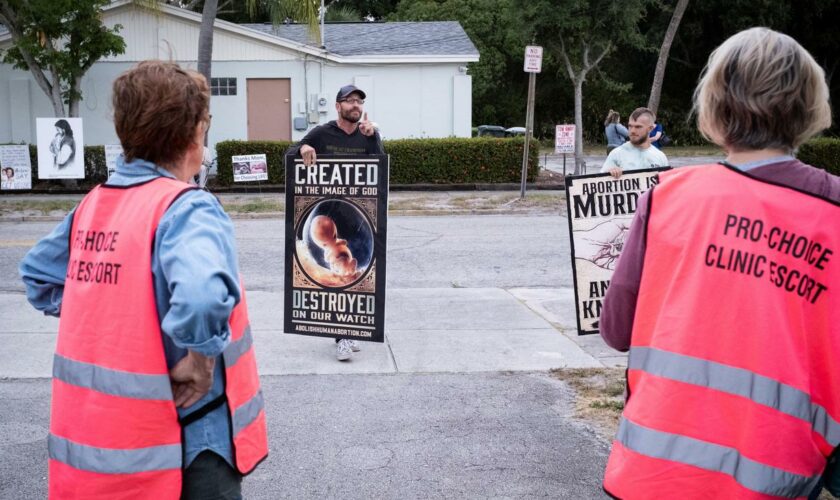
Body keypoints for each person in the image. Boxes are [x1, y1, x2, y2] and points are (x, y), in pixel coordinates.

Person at [600, 27, 839, 499]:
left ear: (712, 106)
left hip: (651, 470)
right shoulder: (832, 209)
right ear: (811, 106)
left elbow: (616, 329)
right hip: (776, 476)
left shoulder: (666, 199)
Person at [20, 61, 267, 499]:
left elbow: (39, 275)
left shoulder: (96, 203)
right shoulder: (188, 208)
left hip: (103, 454)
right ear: (194, 131)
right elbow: (202, 298)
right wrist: (200, 360)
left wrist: (119, 311)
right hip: (187, 451)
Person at [288, 84, 384, 361]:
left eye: (359, 101)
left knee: (355, 277)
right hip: (327, 216)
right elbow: (290, 155)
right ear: (338, 105)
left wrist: (374, 136)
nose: (355, 105)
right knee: (337, 276)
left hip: (357, 219)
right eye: (350, 100)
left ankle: (348, 331)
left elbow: (380, 167)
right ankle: (343, 335)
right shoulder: (323, 133)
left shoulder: (368, 135)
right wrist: (303, 147)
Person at [600, 107, 669, 178]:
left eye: (638, 127)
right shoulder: (616, 154)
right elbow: (600, 182)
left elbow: (667, 185)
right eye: (630, 126)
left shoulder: (660, 157)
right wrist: (609, 173)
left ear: (650, 129)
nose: (632, 131)